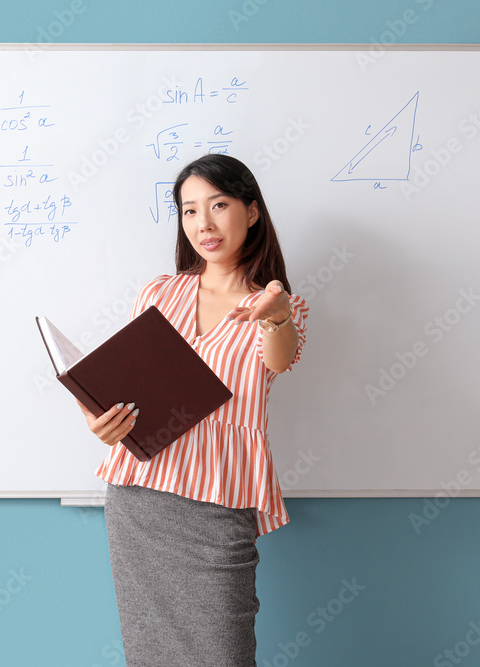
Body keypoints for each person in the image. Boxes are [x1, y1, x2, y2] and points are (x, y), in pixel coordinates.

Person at [77, 153, 308, 666]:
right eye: (189, 210)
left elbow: (281, 359)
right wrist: (102, 422)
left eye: (219, 204)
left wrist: (274, 316)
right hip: (140, 497)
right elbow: (124, 385)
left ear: (251, 211)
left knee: (223, 654)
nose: (203, 223)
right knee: (149, 653)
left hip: (221, 498)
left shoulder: (277, 303)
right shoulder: (160, 293)